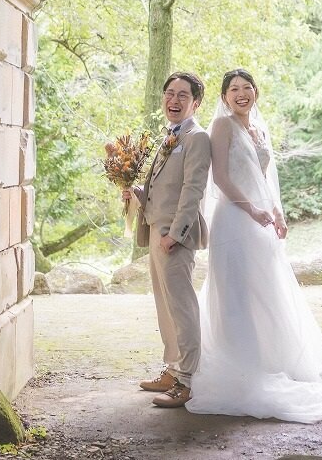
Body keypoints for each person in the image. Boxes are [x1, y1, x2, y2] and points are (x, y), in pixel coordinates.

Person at [185, 69, 322, 423]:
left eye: (247, 88)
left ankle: (271, 361)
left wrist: (277, 213)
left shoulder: (259, 129)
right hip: (233, 218)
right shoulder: (223, 126)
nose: (241, 94)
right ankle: (241, 366)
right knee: (236, 292)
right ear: (224, 97)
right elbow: (222, 179)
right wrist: (252, 210)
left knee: (267, 288)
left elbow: (264, 178)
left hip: (261, 220)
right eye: (234, 89)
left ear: (256, 92)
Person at [123, 71, 211, 408]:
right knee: (164, 307)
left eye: (182, 96)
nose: (174, 101)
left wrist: (176, 234)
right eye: (169, 94)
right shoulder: (169, 136)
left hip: (174, 236)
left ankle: (187, 380)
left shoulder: (197, 137)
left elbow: (192, 190)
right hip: (156, 230)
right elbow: (161, 187)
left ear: (196, 102)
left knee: (182, 307)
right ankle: (172, 369)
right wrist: (136, 193)